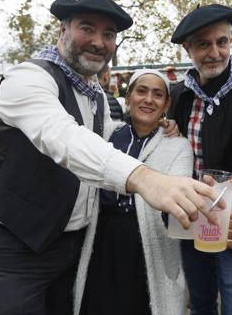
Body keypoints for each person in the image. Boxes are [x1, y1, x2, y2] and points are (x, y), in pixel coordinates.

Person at [0, 0, 220, 315]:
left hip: (75, 245)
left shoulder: (94, 95)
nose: (98, 41)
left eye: (108, 34)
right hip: (20, 245)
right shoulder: (29, 78)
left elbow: (112, 138)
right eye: (87, 28)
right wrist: (146, 179)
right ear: (62, 30)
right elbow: (64, 137)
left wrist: (164, 125)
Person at [169, 4, 232, 315]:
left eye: (222, 42)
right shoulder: (180, 94)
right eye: (204, 44)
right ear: (188, 49)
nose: (215, 52)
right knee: (199, 301)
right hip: (189, 214)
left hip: (229, 217)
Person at [76, 69, 189, 315]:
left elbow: (176, 195)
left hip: (146, 243)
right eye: (141, 91)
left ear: (167, 104)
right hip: (101, 240)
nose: (149, 99)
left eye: (158, 95)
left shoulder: (178, 145)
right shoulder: (106, 135)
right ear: (127, 98)